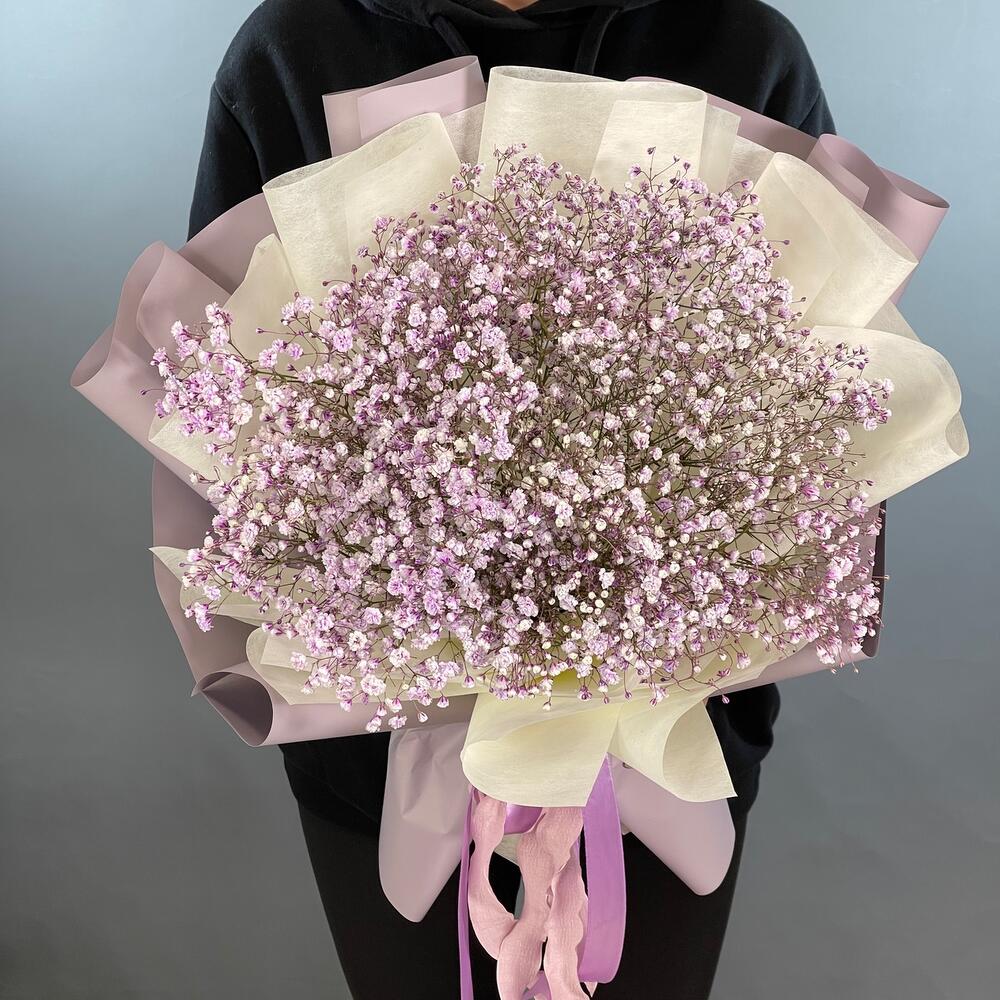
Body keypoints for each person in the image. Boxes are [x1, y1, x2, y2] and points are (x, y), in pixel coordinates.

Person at [189, 2, 835, 996]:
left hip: (668, 751)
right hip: (382, 757)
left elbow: (818, 406)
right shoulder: (296, 50)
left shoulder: (739, 48)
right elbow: (227, 403)